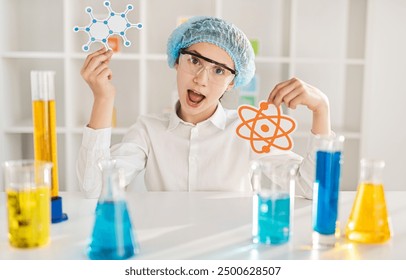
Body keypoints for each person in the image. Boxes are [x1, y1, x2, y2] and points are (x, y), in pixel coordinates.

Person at [76, 16, 331, 199]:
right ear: (176, 61)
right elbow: (94, 189)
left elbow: (310, 188)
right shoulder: (148, 130)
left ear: (232, 83)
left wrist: (321, 109)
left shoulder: (248, 129)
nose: (201, 79)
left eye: (219, 70)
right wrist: (102, 99)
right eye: (194, 61)